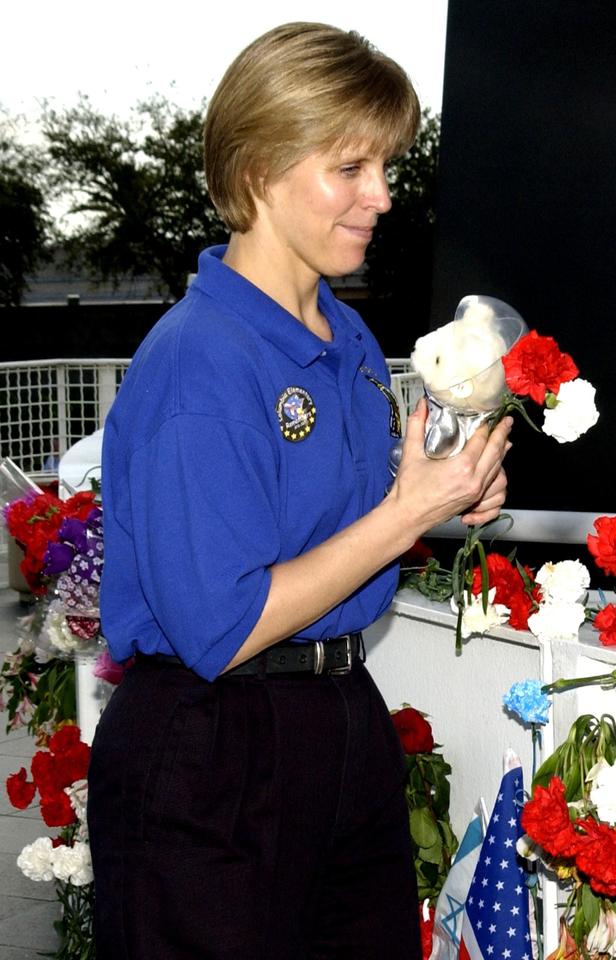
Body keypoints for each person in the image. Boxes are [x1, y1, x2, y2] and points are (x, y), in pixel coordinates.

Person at [87, 22, 511, 959]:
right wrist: (406, 515)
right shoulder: (199, 360)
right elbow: (224, 626)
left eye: (386, 166)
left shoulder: (347, 339)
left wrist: (443, 491)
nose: (383, 196)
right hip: (212, 747)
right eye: (350, 168)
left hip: (340, 718)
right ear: (257, 173)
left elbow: (339, 526)